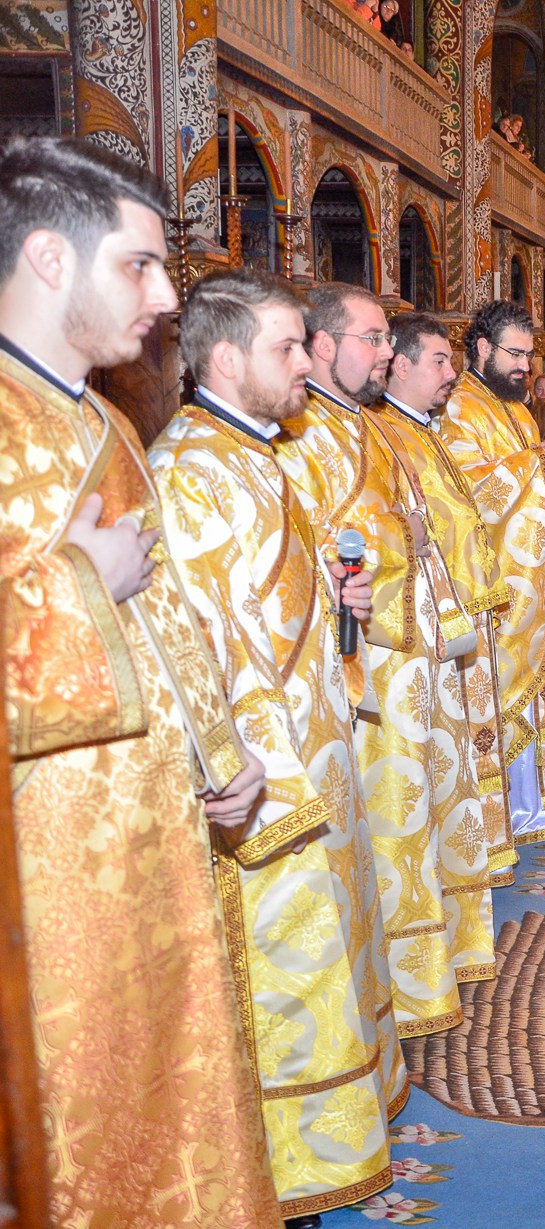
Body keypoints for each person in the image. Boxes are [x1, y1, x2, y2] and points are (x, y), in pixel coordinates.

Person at [0, 136, 277, 1227]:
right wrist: (78, 581)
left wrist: (224, 755)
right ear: (49, 258)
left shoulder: (109, 420)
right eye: (141, 266)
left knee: (170, 1097)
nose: (167, 298)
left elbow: (161, 610)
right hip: (44, 878)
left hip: (154, 833)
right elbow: (102, 592)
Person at [151, 269, 401, 1219]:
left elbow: (274, 613)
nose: (309, 362)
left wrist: (343, 612)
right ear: (225, 358)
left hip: (312, 760)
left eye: (306, 343)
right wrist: (230, 769)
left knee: (327, 973)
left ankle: (317, 1162)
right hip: (264, 789)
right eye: (288, 347)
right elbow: (186, 642)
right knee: (284, 993)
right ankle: (277, 1176)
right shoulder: (188, 469)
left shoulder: (257, 453)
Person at [274, 281, 499, 1039]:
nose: (382, 353)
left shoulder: (365, 427)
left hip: (415, 655)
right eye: (372, 339)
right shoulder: (301, 436)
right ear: (324, 346)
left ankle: (426, 970)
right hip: (371, 667)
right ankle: (399, 984)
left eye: (384, 341)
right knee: (391, 828)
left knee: (424, 820)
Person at [376, 310, 514, 895]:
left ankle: (469, 854)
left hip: (458, 613)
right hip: (422, 626)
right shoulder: (386, 432)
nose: (452, 373)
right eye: (439, 361)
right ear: (401, 365)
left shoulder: (422, 429)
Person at [441, 301, 545, 844]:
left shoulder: (516, 410)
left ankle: (535, 807)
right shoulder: (460, 409)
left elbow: (536, 484)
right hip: (495, 593)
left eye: (529, 354)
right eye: (514, 354)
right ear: (482, 349)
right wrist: (533, 466)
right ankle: (504, 818)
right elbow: (462, 491)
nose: (525, 365)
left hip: (532, 590)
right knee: (495, 697)